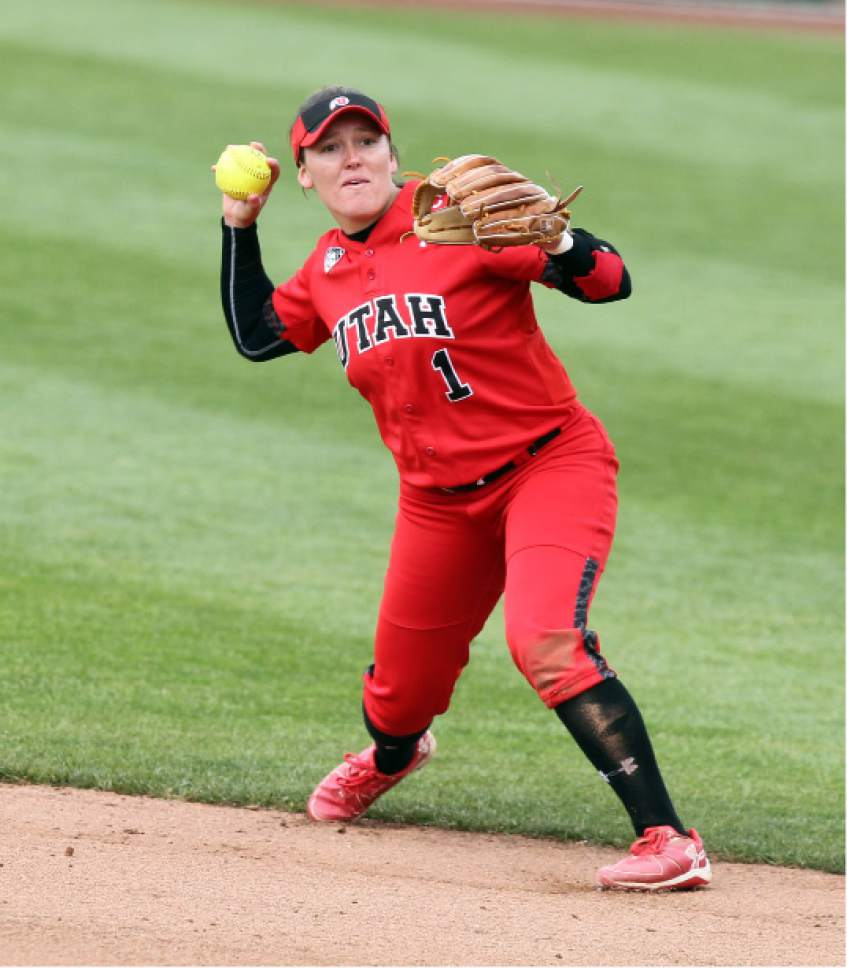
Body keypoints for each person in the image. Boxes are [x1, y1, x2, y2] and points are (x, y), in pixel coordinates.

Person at [216, 86, 712, 891]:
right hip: (436, 501)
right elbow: (259, 337)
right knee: (397, 695)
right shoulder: (329, 266)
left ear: (390, 152)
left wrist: (556, 242)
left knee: (547, 640)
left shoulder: (457, 216)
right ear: (301, 174)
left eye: (365, 142)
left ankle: (668, 837)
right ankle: (393, 755)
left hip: (548, 466)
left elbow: (610, 281)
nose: (352, 160)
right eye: (329, 149)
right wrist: (239, 228)